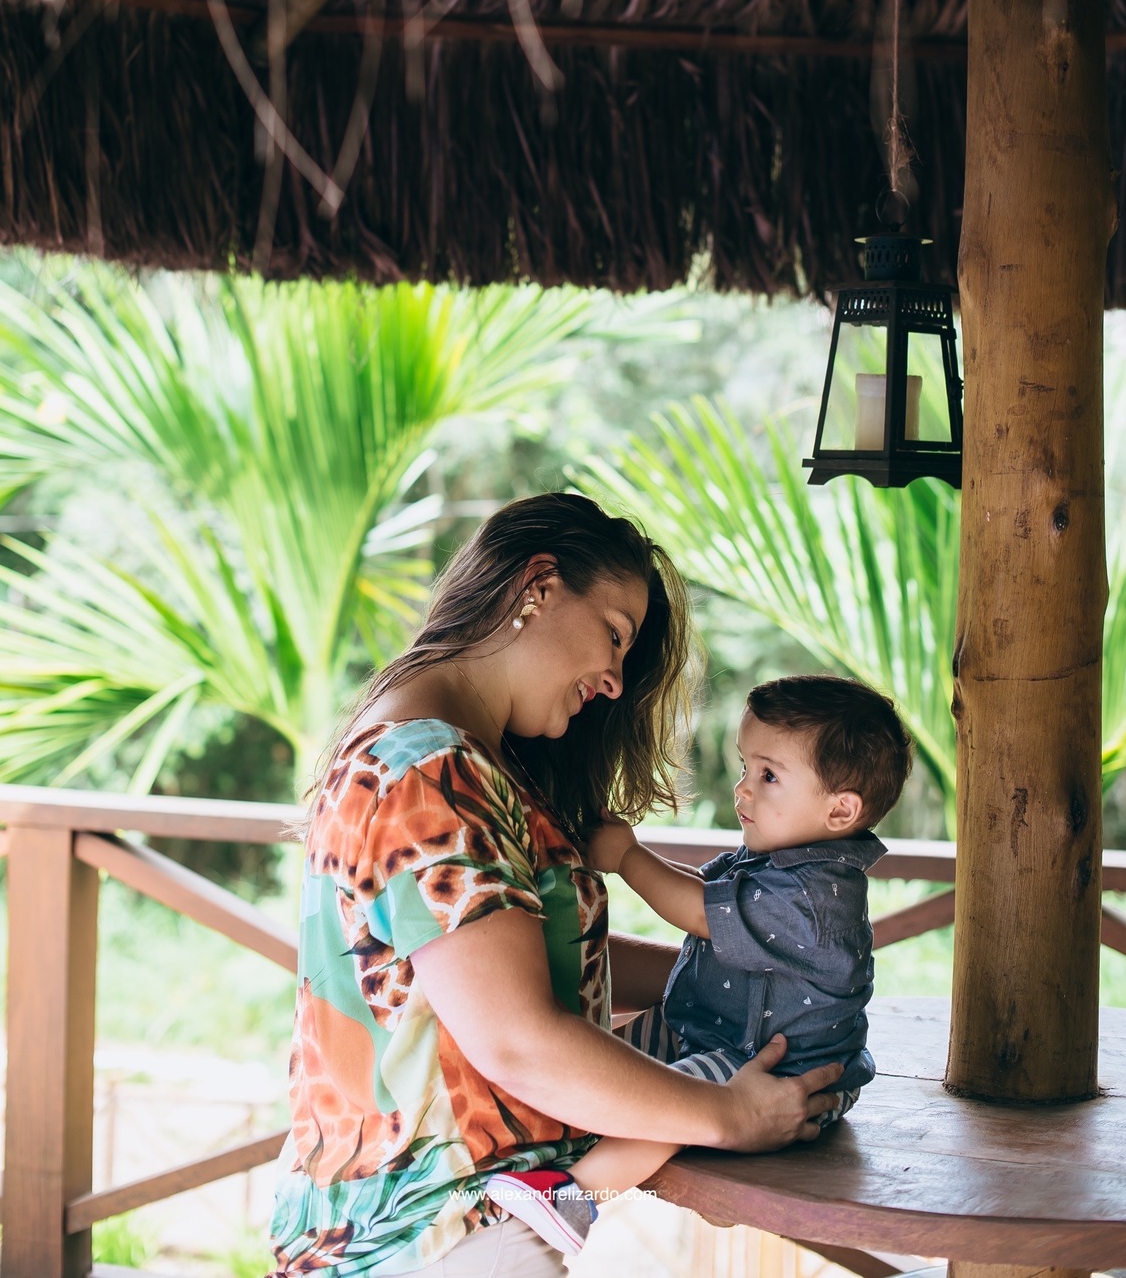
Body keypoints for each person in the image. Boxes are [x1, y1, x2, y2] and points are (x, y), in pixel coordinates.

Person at [270, 495, 845, 1276]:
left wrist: (754, 970)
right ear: (538, 586)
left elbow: (539, 966)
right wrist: (727, 1114)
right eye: (614, 634)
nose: (613, 680)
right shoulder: (428, 770)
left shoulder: (461, 757)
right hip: (440, 1237)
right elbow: (517, 1040)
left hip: (471, 1224)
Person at [486, 675, 912, 1256]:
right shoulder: (784, 859)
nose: (742, 790)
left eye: (768, 775)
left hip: (776, 1072)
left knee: (674, 1100)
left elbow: (699, 912)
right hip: (716, 1027)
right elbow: (706, 891)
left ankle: (575, 1197)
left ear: (841, 809)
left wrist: (630, 859)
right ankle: (554, 1148)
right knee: (611, 1054)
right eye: (745, 766)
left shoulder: (817, 896)